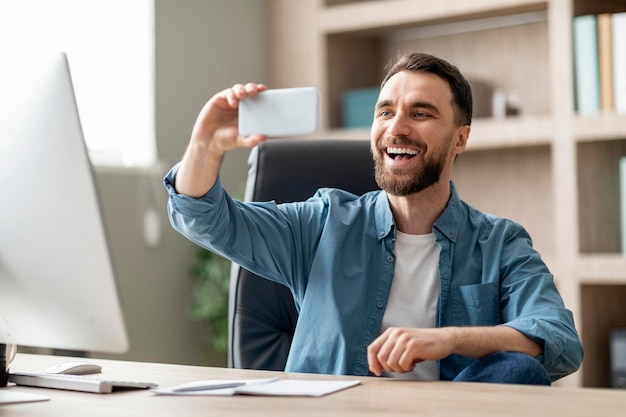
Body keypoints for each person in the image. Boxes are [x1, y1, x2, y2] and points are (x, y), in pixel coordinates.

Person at [164, 52, 583, 384]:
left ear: (460, 137)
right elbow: (206, 218)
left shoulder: (499, 242)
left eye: (420, 113)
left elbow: (559, 338)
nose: (396, 127)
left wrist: (449, 339)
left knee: (519, 371)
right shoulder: (322, 223)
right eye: (385, 112)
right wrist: (205, 145)